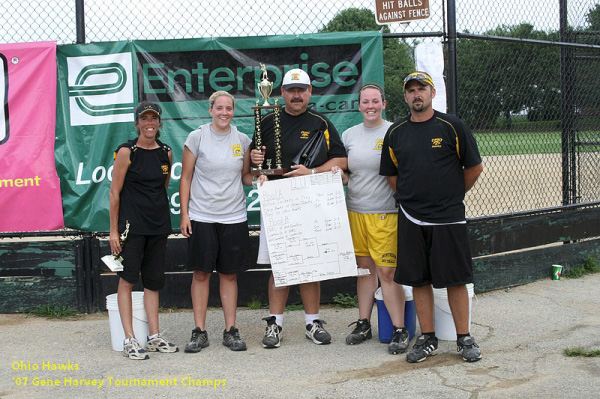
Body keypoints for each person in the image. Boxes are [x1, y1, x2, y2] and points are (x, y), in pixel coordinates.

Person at [380, 71, 484, 363]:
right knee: (419, 280)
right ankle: (428, 338)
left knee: (455, 279)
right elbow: (391, 173)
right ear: (405, 96)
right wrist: (410, 199)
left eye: (421, 89)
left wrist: (451, 195)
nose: (417, 94)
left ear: (432, 93)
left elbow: (474, 167)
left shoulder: (452, 126)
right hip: (411, 217)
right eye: (411, 90)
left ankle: (464, 337)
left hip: (448, 217)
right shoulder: (396, 131)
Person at [250, 68, 347, 348]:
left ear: (309, 93)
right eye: (291, 90)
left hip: (310, 199)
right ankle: (275, 324)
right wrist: (255, 159)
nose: (296, 95)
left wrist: (312, 171)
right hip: (278, 200)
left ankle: (312, 322)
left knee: (311, 264)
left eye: (301, 90)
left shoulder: (321, 122)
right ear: (281, 93)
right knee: (280, 266)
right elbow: (255, 162)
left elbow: (341, 160)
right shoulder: (267, 120)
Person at [335, 83, 408, 355]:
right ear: (358, 106)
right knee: (365, 271)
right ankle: (364, 323)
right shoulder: (350, 134)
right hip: (356, 212)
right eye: (365, 102)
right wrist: (337, 175)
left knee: (387, 274)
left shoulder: (394, 132)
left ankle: (399, 329)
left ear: (384, 104)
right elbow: (347, 175)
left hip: (385, 214)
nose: (370, 106)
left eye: (375, 101)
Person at [180, 91, 253, 353]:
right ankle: (199, 331)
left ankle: (230, 330)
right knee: (200, 273)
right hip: (202, 215)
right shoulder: (197, 136)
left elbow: (246, 177)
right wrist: (185, 214)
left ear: (234, 111)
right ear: (210, 110)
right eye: (219, 108)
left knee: (229, 275)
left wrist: (260, 176)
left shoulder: (243, 140)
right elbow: (185, 177)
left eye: (229, 108)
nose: (224, 113)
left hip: (234, 216)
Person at [109, 101, 178, 360]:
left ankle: (154, 337)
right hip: (131, 229)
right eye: (144, 118)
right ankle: (129, 339)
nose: (149, 123)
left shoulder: (167, 153)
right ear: (137, 123)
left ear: (159, 123)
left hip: (159, 227)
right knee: (127, 280)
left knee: (153, 282)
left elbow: (162, 188)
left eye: (154, 118)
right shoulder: (127, 152)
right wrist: (114, 231)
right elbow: (115, 193)